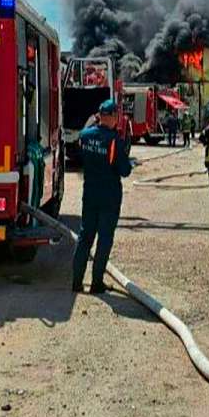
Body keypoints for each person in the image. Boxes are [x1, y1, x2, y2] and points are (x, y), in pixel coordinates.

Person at [71, 99, 133, 294]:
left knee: (85, 237)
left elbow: (80, 157)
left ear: (99, 116)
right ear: (113, 117)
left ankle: (76, 282)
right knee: (104, 239)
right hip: (109, 196)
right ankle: (96, 283)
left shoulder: (85, 136)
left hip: (89, 194)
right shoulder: (114, 140)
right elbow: (125, 171)